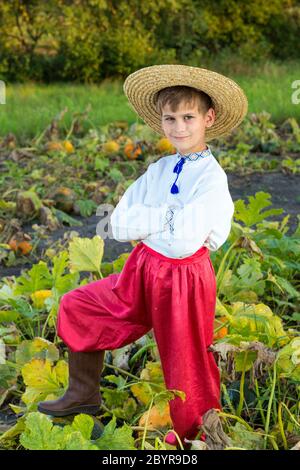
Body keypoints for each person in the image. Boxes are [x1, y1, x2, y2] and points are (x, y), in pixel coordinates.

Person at [37, 64, 248, 449]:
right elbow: (117, 224)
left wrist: (149, 221)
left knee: (186, 358)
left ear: (208, 118)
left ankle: (194, 437)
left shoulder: (212, 180)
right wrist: (165, 219)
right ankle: (83, 395)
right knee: (79, 305)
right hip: (143, 268)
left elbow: (184, 241)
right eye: (170, 118)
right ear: (161, 122)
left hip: (184, 278)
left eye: (188, 117)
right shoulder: (160, 168)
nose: (178, 127)